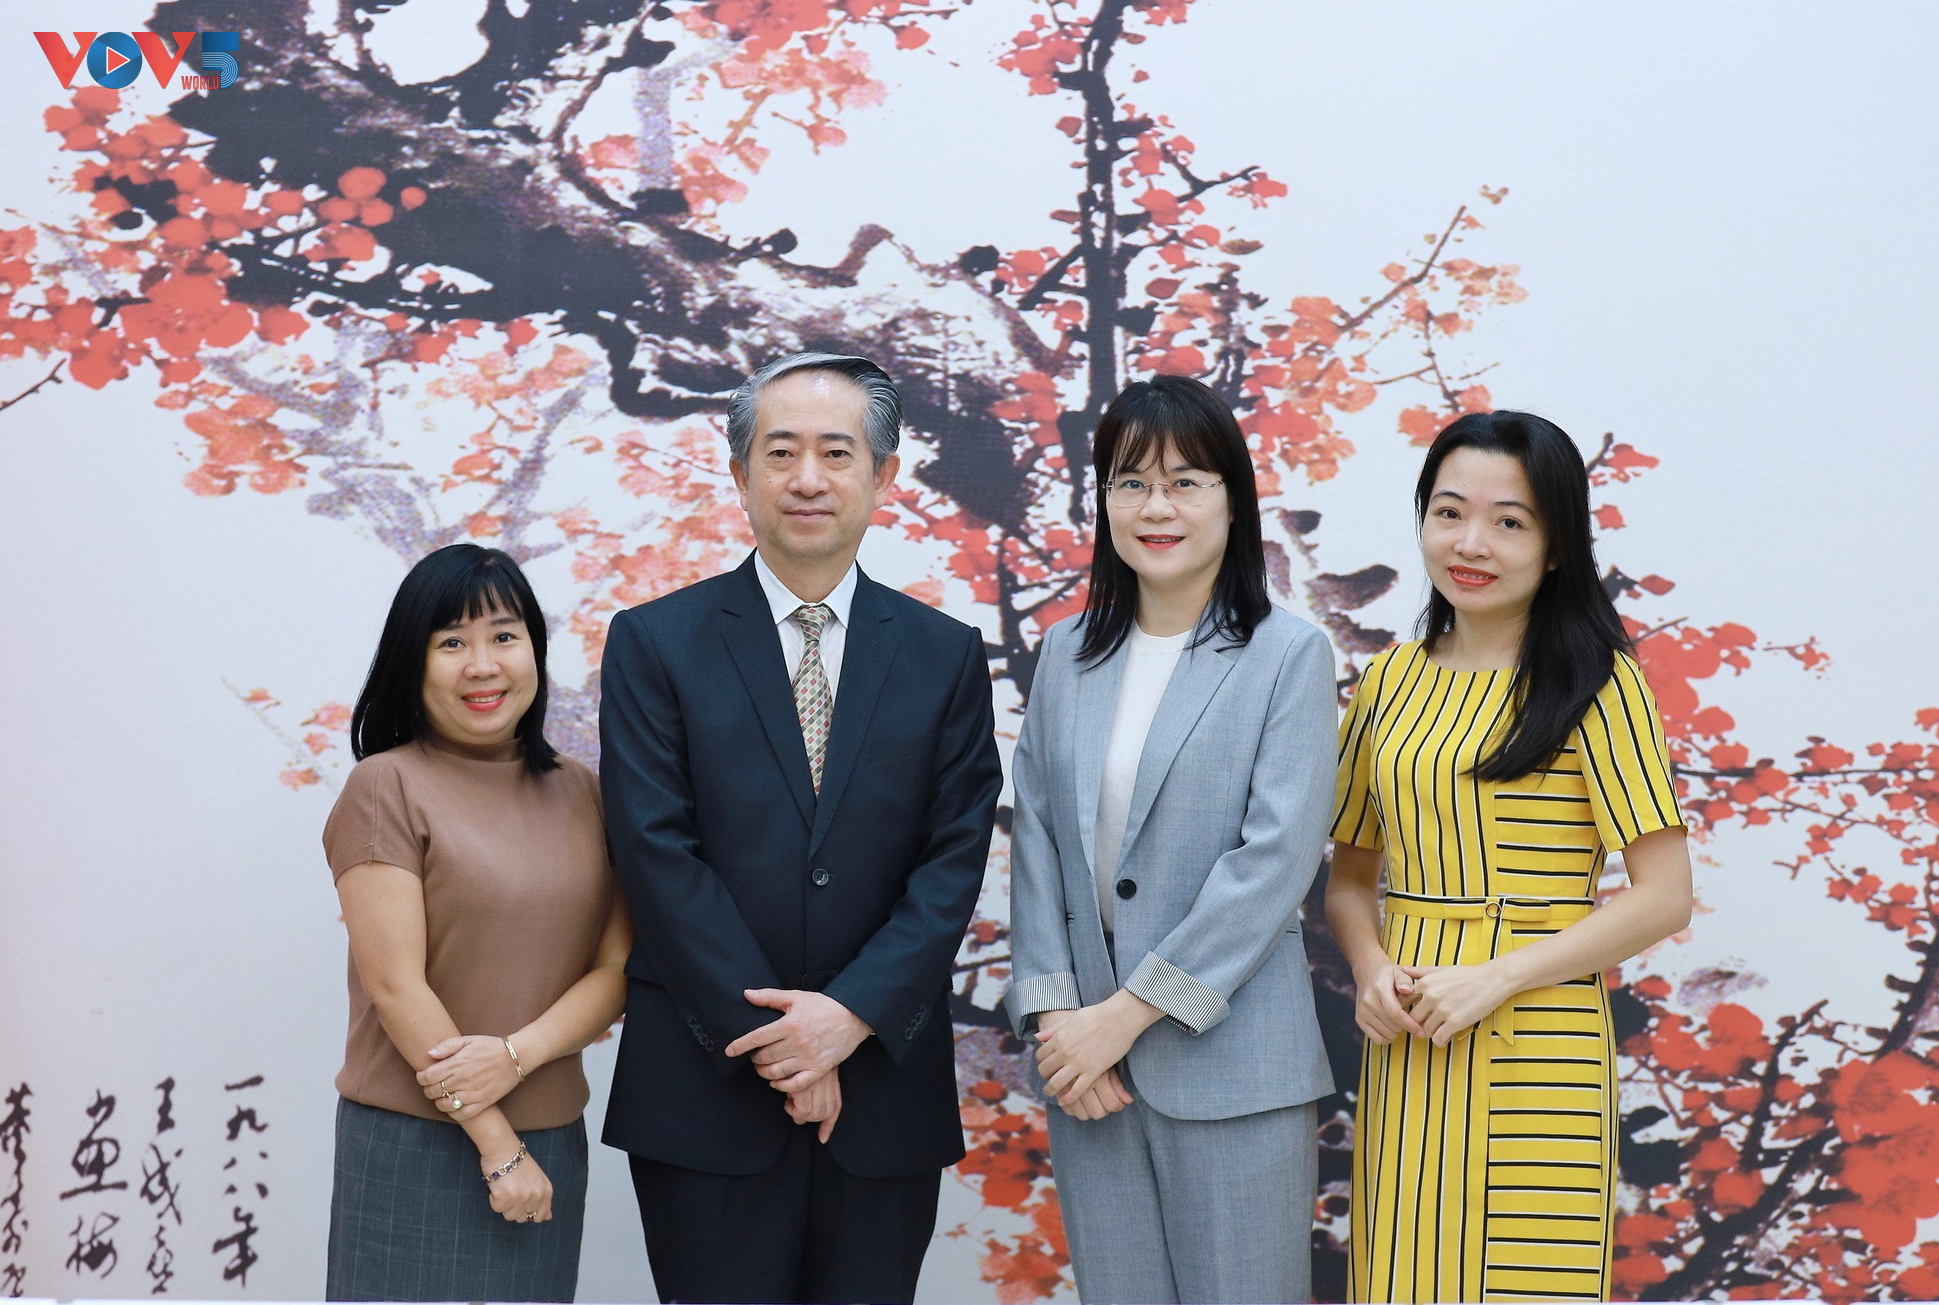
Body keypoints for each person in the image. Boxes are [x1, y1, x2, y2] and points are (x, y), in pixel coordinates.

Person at [598, 352, 1003, 1304]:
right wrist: (782, 1043)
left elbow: (951, 859)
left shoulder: (943, 654)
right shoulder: (654, 642)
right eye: (780, 452)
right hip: (705, 1090)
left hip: (882, 1092)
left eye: (836, 451)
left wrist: (847, 1016)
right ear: (740, 472)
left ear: (883, 474)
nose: (808, 477)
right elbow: (656, 853)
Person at [1325, 410, 1694, 1303]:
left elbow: (1664, 896)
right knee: (1402, 1278)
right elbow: (1348, 877)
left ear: (1556, 545)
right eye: (1448, 512)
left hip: (1540, 1042)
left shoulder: (1598, 682)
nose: (1471, 543)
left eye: (1509, 521)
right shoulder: (1386, 682)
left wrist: (1493, 978)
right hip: (1410, 1036)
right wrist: (1370, 968)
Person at [1004, 374, 1340, 1305]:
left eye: (1186, 481)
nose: (1157, 507)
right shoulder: (1066, 652)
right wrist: (1057, 1021)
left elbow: (1272, 863)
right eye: (1131, 482)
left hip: (1232, 1068)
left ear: (1233, 500)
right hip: (1088, 1073)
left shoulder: (1287, 653)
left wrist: (1123, 1016)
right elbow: (1037, 840)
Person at [322, 543, 632, 1302]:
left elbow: (617, 969)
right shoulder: (385, 786)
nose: (483, 665)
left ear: (535, 650)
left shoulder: (585, 792)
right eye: (452, 643)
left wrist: (517, 1058)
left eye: (504, 636)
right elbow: (396, 986)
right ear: (414, 662)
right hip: (416, 1144)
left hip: (549, 1140)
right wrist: (496, 1143)